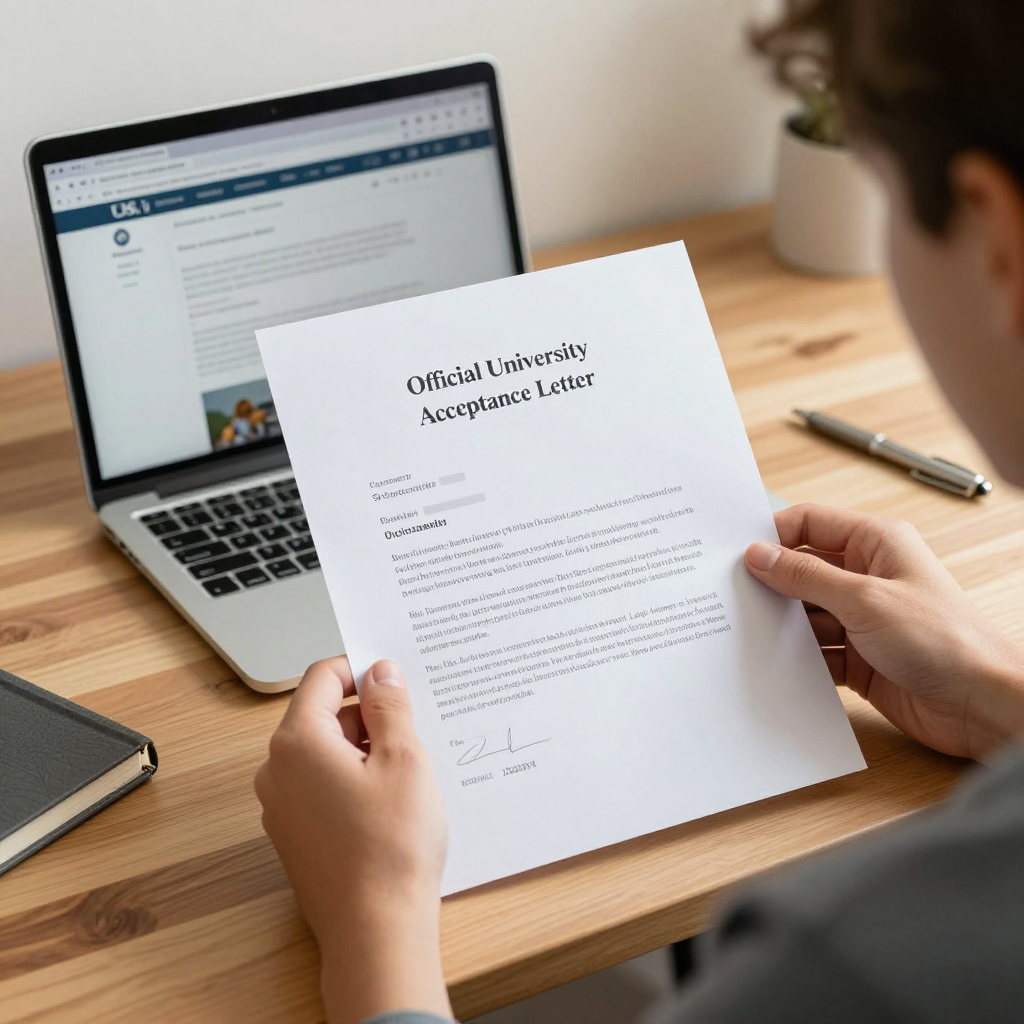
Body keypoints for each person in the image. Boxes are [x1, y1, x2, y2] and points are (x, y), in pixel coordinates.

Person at [254, 2, 1024, 1021]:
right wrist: (990, 696)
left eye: (879, 190)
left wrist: (374, 910)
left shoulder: (862, 958)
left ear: (997, 236)